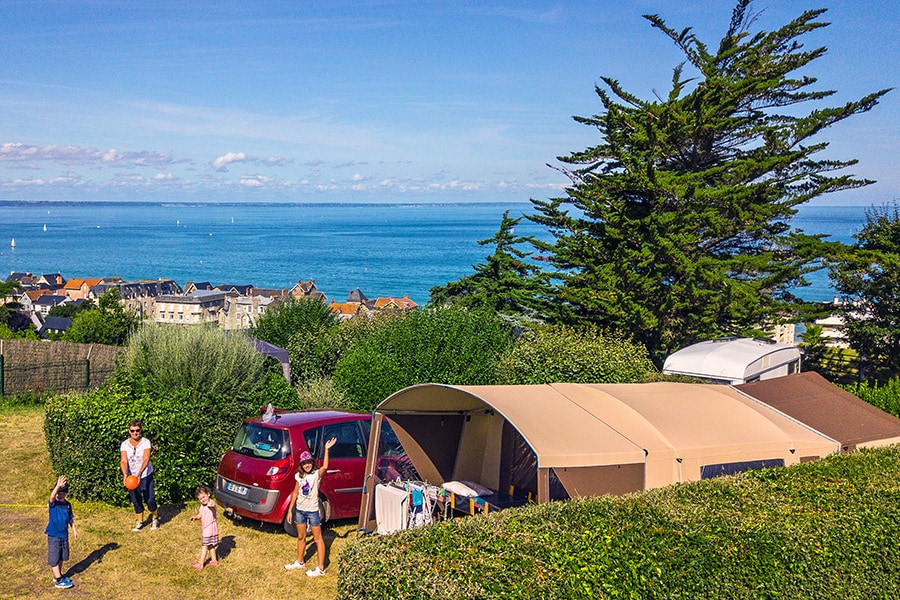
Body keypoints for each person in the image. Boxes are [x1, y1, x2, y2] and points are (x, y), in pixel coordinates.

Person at [283, 437, 337, 577]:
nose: (307, 465)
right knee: (301, 537)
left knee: (318, 538)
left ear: (312, 463)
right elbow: (295, 493)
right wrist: (290, 510)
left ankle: (321, 569)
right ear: (301, 465)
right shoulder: (298, 477)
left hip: (313, 511)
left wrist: (326, 449)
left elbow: (325, 466)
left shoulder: (315, 475)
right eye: (304, 463)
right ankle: (300, 561)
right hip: (300, 510)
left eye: (309, 462)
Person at [120, 419, 159, 531]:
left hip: (145, 475)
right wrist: (125, 474)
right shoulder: (125, 444)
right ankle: (140, 521)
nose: (135, 433)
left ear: (140, 430)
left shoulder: (145, 442)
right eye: (132, 431)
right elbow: (123, 461)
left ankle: (155, 518)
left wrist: (140, 473)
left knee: (150, 499)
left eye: (137, 430)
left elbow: (146, 458)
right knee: (136, 500)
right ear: (129, 431)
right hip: (131, 477)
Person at [46, 475, 78, 589]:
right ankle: (59, 581)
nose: (60, 494)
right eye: (58, 492)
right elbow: (51, 496)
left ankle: (57, 574)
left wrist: (74, 530)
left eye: (62, 492)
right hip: (54, 535)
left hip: (64, 535)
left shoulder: (67, 505)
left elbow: (70, 518)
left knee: (62, 557)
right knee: (54, 557)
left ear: (66, 493)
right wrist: (57, 486)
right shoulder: (54, 503)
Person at [189, 486, 219, 570]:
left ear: (208, 494)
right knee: (210, 545)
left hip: (209, 527)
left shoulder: (211, 503)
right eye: (200, 499)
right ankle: (214, 560)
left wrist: (209, 503)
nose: (202, 500)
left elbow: (212, 505)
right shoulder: (202, 506)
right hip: (207, 528)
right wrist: (196, 517)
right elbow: (200, 515)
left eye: (204, 497)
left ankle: (201, 564)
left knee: (204, 546)